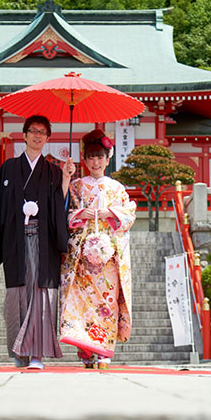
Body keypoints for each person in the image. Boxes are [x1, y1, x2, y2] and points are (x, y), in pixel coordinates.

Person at [0, 115, 76, 370]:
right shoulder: (8, 168)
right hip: (15, 243)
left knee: (41, 294)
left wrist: (65, 179)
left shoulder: (53, 171)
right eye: (33, 131)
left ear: (48, 138)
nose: (37, 136)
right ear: (25, 135)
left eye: (43, 132)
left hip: (44, 243)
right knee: (18, 294)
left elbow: (60, 205)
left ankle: (37, 354)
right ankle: (20, 351)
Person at [59, 129, 136, 369]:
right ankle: (86, 350)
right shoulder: (77, 186)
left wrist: (109, 213)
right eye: (91, 157)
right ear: (84, 159)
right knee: (82, 301)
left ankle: (104, 352)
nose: (95, 162)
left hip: (108, 256)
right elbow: (65, 212)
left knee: (106, 302)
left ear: (108, 158)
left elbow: (129, 213)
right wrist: (82, 213)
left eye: (100, 157)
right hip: (82, 256)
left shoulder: (116, 188)